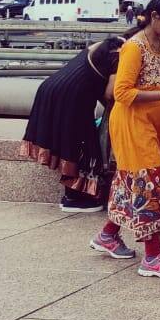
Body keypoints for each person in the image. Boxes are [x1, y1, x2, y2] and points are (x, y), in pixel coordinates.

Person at [89, 0, 160, 279]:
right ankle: (152, 256)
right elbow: (122, 93)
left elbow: (153, 79)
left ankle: (108, 235)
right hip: (133, 125)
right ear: (155, 16)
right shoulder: (134, 47)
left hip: (153, 125)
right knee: (150, 185)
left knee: (129, 182)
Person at [22, 35, 126, 213]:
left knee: (70, 142)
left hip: (51, 90)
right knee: (83, 144)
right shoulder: (121, 54)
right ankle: (77, 198)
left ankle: (71, 196)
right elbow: (110, 94)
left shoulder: (103, 45)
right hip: (72, 97)